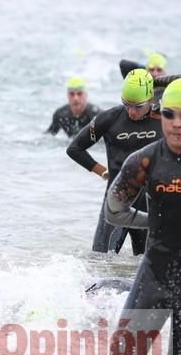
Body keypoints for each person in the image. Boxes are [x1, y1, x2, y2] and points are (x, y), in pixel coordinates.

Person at [104, 79, 181, 355]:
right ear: (160, 114)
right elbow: (114, 211)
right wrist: (154, 222)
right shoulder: (145, 161)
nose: (177, 124)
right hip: (156, 273)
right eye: (170, 114)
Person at [67, 69, 161, 255]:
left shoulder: (164, 120)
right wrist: (103, 172)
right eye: (127, 104)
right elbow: (75, 148)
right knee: (99, 262)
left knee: (145, 266)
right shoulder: (110, 118)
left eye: (138, 106)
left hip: (149, 204)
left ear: (151, 98)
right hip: (116, 203)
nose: (131, 111)